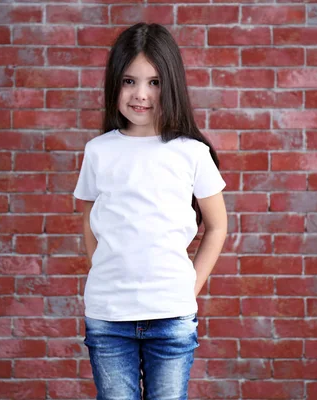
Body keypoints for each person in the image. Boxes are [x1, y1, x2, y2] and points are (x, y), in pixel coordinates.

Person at [73, 23, 228, 400]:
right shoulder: (99, 151)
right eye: (129, 81)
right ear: (115, 84)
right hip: (109, 318)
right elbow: (90, 220)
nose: (140, 94)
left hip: (171, 317)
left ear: (170, 84)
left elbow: (217, 227)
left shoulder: (191, 152)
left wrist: (188, 289)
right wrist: (107, 270)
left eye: (154, 83)